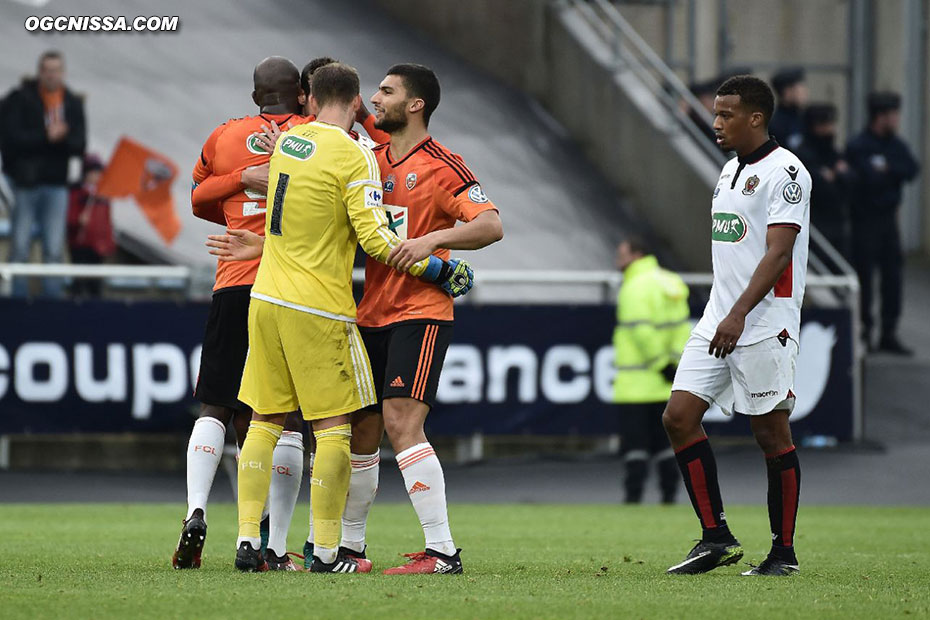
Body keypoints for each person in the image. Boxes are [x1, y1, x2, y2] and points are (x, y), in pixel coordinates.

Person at [206, 62, 474, 574]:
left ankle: (249, 541)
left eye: (387, 91)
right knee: (334, 426)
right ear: (352, 104)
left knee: (264, 419)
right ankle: (330, 552)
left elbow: (300, 224)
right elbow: (371, 237)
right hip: (319, 305)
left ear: (308, 99)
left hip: (266, 297)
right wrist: (437, 266)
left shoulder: (288, 143)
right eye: (370, 95)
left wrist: (259, 245)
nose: (373, 102)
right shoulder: (356, 155)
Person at [663, 75, 810, 577]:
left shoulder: (787, 172)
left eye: (727, 114)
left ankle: (783, 553)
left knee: (771, 433)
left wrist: (740, 313)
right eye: (716, 113)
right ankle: (715, 536)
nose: (716, 122)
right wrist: (724, 313)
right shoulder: (728, 171)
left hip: (765, 322)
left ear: (756, 118)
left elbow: (779, 251)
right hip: (719, 318)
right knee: (678, 417)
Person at [171, 56, 309, 572]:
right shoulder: (316, 136)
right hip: (292, 288)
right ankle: (270, 543)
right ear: (301, 94)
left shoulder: (224, 135)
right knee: (282, 418)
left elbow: (198, 198)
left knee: (215, 405)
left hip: (232, 286)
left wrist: (240, 179)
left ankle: (196, 512)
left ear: (255, 97)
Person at [612, 236, 690, 504]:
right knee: (667, 445)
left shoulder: (634, 286)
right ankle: (670, 497)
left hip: (635, 386)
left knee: (635, 448)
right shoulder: (672, 283)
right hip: (668, 383)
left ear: (636, 254)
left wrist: (658, 363)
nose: (617, 259)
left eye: (621, 253)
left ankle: (633, 499)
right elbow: (683, 328)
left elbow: (640, 331)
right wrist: (674, 365)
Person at [2, 50, 86, 298]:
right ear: (40, 72)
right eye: (47, 70)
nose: (51, 75)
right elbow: (11, 139)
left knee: (53, 247)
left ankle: (52, 304)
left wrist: (60, 138)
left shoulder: (71, 102)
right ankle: (17, 301)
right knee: (20, 245)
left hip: (56, 184)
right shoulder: (21, 99)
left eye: (56, 70)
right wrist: (46, 137)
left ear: (63, 73)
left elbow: (79, 143)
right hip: (25, 183)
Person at [845, 92, 920, 354]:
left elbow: (912, 169)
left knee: (892, 277)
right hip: (865, 221)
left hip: (889, 221)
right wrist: (889, 174)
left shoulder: (895, 145)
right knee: (864, 277)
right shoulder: (859, 145)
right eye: (893, 115)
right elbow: (866, 180)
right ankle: (865, 330)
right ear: (881, 116)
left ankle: (889, 332)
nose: (897, 120)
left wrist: (887, 170)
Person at [795, 103, 855, 260]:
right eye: (825, 124)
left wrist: (835, 176)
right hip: (815, 223)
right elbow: (818, 186)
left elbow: (851, 180)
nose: (830, 129)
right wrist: (833, 176)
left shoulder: (833, 152)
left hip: (838, 223)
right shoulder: (803, 154)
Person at [66, 154, 115, 297]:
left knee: (95, 283)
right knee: (79, 281)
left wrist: (108, 242)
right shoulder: (76, 193)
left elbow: (106, 221)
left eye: (99, 173)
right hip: (80, 244)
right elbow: (70, 217)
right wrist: (77, 221)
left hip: (97, 246)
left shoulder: (103, 195)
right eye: (93, 172)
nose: (96, 176)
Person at [769, 67, 807, 152]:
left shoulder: (805, 118)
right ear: (787, 92)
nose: (804, 93)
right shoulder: (776, 125)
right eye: (799, 89)